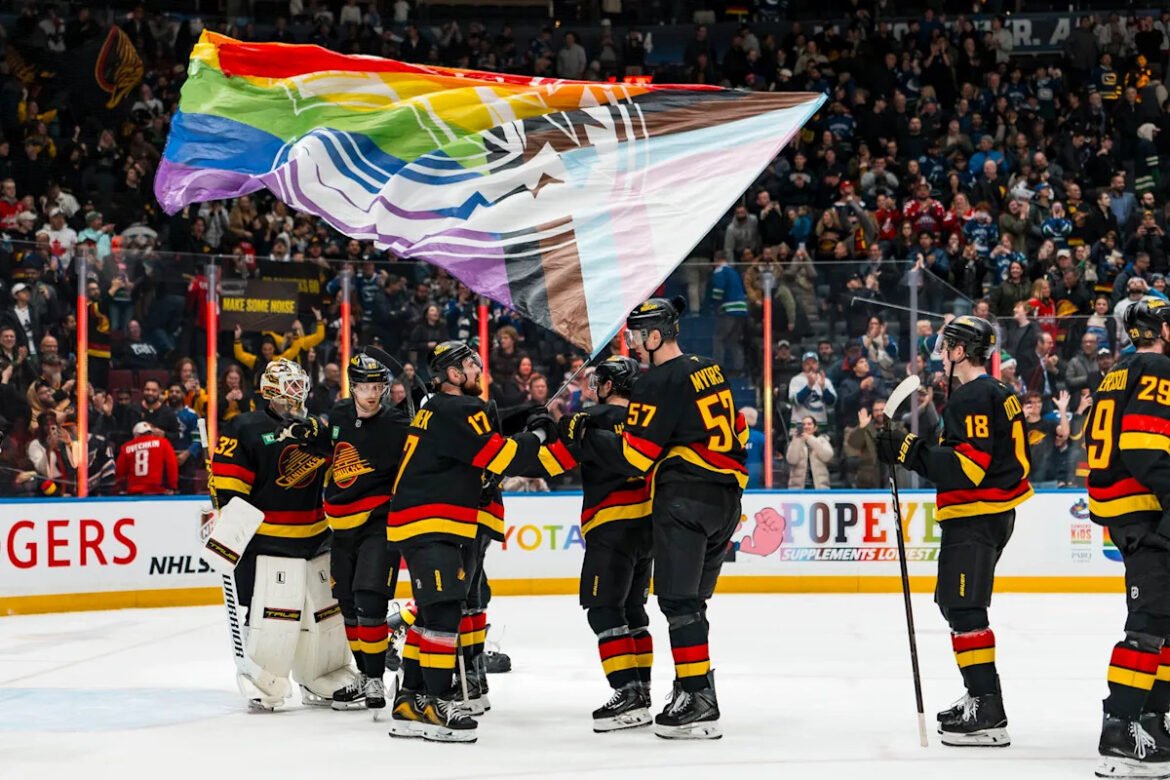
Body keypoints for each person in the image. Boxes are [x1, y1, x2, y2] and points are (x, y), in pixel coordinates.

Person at [564, 296, 747, 739]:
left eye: (636, 335)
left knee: (679, 603)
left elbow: (635, 457)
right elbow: (739, 429)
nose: (632, 343)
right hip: (727, 501)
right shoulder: (709, 368)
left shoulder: (657, 381)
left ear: (655, 335)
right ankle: (694, 689)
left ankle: (698, 699)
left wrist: (585, 433)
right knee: (692, 604)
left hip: (686, 499)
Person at [386, 340, 555, 743]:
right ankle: (438, 702)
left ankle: (411, 701)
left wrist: (520, 417)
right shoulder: (460, 408)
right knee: (445, 613)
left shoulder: (437, 409)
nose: (479, 369)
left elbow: (482, 434)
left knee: (430, 615)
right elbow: (504, 458)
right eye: (471, 364)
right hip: (433, 522)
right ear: (453, 374)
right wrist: (540, 432)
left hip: (419, 521)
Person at [876, 315, 1033, 747]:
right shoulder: (999, 391)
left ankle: (987, 709)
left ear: (961, 351)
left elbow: (968, 468)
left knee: (965, 608)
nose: (942, 353)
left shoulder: (973, 395)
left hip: (975, 516)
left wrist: (907, 450)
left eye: (947, 346)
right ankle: (979, 697)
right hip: (989, 515)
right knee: (954, 603)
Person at [208, 358, 358, 711]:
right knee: (275, 615)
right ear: (270, 389)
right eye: (290, 385)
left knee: (326, 614)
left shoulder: (315, 428)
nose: (297, 392)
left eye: (299, 384)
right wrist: (228, 525)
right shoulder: (245, 427)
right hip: (268, 541)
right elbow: (228, 489)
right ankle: (265, 679)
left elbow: (339, 473)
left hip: (317, 537)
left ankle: (324, 675)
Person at [1085, 297, 1170, 776]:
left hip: (1125, 507)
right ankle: (1120, 732)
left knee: (1164, 620)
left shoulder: (1117, 371)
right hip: (1144, 508)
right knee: (1148, 622)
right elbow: (1142, 446)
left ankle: (1154, 720)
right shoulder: (1157, 368)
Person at [557, 355, 655, 731]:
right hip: (646, 527)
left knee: (602, 611)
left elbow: (554, 458)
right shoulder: (648, 419)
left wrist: (545, 427)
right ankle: (642, 691)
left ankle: (628, 694)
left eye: (599, 381)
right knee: (633, 611)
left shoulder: (592, 419)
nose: (593, 388)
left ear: (610, 385)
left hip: (610, 526)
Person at [324, 353, 410, 713]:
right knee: (347, 602)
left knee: (370, 599)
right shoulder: (338, 415)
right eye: (364, 387)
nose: (372, 394)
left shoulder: (398, 423)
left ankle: (375, 677)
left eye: (377, 387)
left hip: (380, 520)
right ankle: (364, 673)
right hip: (340, 524)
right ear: (353, 387)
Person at [115, 420, 178, 495]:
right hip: (157, 490)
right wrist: (172, 486)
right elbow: (172, 465)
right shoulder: (163, 443)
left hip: (134, 490)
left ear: (136, 435)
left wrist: (120, 488)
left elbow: (120, 471)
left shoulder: (126, 447)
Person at [786, 415, 833, 489]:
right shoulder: (795, 442)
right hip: (798, 489)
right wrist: (796, 440)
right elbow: (792, 460)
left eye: (809, 424)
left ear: (815, 428)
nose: (806, 426)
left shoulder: (822, 440)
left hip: (819, 488)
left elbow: (827, 457)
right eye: (803, 424)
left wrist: (809, 439)